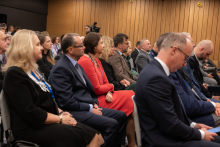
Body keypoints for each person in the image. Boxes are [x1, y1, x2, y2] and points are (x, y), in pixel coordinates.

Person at [2, 29, 105, 147]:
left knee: (97, 136)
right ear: (25, 48)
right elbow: (30, 111)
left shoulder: (34, 71)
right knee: (90, 138)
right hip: (30, 128)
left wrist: (62, 113)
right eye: (37, 44)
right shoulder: (14, 73)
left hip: (47, 121)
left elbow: (48, 99)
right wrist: (60, 119)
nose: (41, 48)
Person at [135, 32, 220, 147]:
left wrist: (194, 125)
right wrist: (199, 134)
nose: (185, 64)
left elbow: (172, 114)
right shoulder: (156, 78)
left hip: (171, 134)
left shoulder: (160, 71)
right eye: (185, 58)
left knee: (216, 138)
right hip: (163, 140)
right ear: (174, 50)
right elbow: (170, 125)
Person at [49, 33, 127, 147]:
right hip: (74, 111)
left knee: (122, 116)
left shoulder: (76, 64)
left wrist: (94, 104)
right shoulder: (61, 68)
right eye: (80, 46)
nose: (84, 47)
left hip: (86, 105)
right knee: (112, 124)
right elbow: (66, 102)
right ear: (70, 49)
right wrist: (90, 108)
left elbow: (88, 91)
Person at [78, 32, 137, 147]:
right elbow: (97, 89)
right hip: (94, 100)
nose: (104, 46)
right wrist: (110, 88)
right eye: (101, 43)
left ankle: (131, 142)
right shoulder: (86, 61)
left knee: (130, 97)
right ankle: (132, 143)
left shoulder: (97, 60)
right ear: (95, 46)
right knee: (130, 96)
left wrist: (109, 91)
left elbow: (105, 83)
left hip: (104, 95)